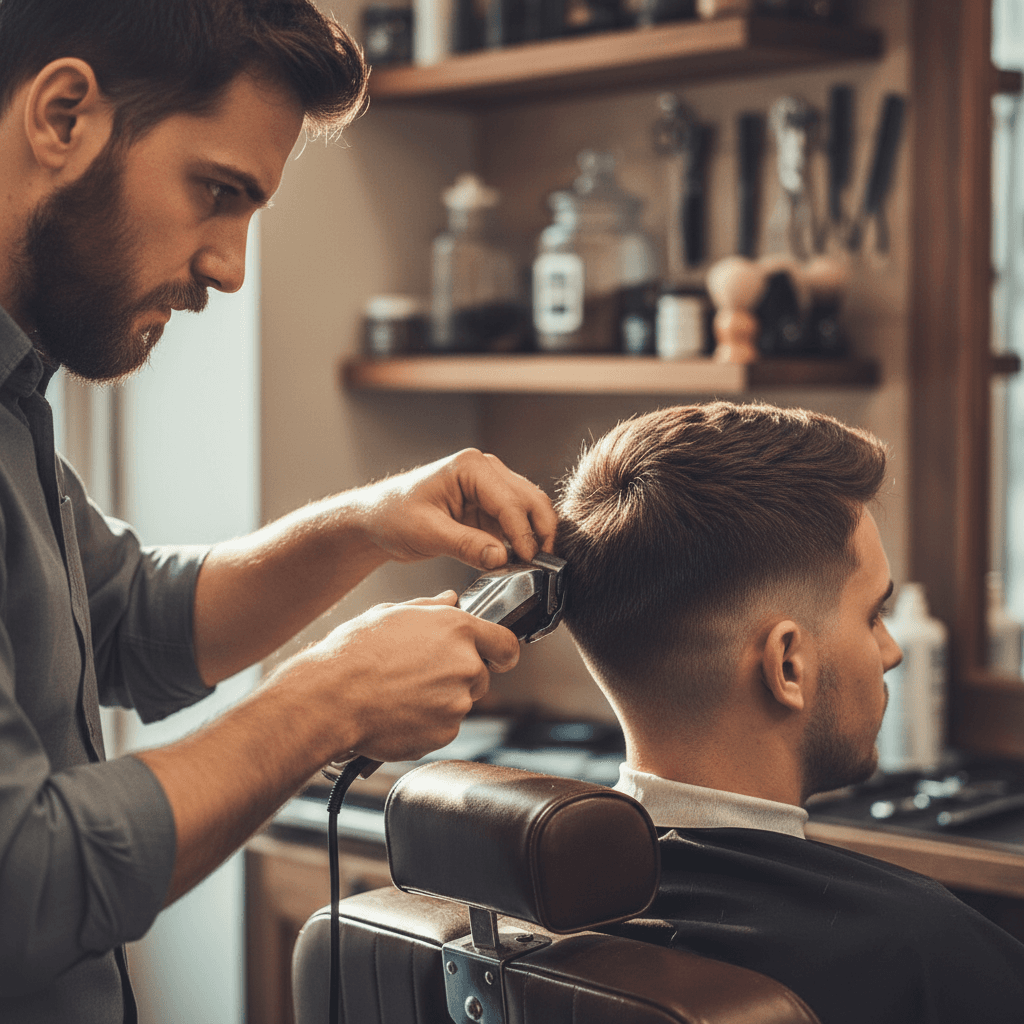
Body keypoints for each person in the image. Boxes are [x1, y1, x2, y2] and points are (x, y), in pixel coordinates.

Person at [0, 2, 558, 1021]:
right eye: (215, 192)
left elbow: (129, 618)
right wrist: (327, 702)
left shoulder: (12, 394)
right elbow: (20, 880)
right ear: (62, 115)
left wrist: (366, 523)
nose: (229, 268)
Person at [555, 401, 1024, 1024]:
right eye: (873, 616)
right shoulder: (924, 953)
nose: (892, 651)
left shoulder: (530, 912)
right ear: (788, 667)